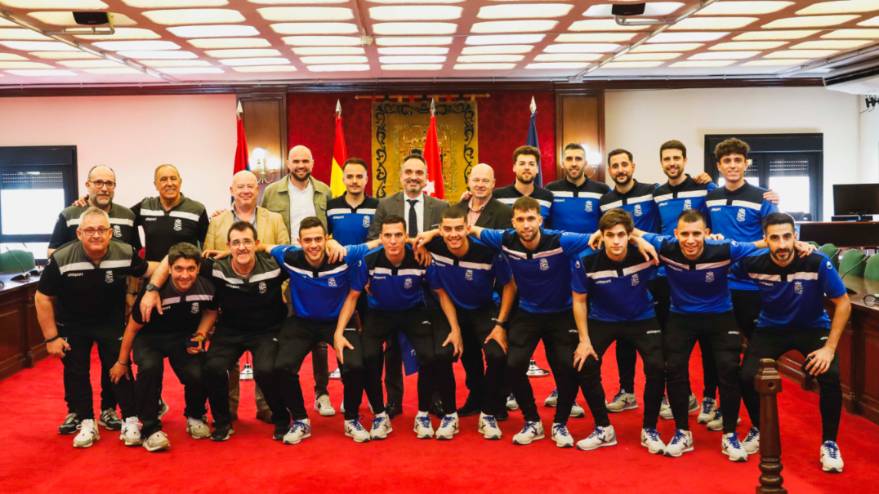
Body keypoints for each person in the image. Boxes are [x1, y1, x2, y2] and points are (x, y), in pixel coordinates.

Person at [450, 197, 654, 446]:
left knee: (567, 367)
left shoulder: (561, 240)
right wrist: (430, 234)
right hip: (528, 312)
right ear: (513, 222)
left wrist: (637, 239)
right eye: (520, 219)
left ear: (540, 220)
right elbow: (469, 229)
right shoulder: (505, 239)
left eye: (531, 219)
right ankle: (532, 422)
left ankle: (560, 423)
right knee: (512, 363)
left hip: (562, 312)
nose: (526, 225)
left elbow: (602, 235)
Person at [638, 210, 783, 460]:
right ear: (675, 234)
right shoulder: (665, 246)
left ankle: (730, 435)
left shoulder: (724, 249)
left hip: (720, 316)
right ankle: (682, 432)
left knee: (728, 370)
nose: (690, 240)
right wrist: (637, 239)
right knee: (674, 370)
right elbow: (632, 231)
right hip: (681, 317)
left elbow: (763, 242)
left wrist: (802, 245)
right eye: (685, 234)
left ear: (706, 234)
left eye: (696, 234)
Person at [141, 221, 289, 442]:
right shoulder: (217, 267)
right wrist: (152, 289)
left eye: (247, 242)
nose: (242, 247)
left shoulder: (274, 265)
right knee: (212, 368)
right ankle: (222, 422)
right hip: (230, 330)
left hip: (267, 330)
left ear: (256, 243)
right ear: (228, 246)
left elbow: (302, 255)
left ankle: (282, 419)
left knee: (265, 371)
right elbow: (169, 259)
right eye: (236, 243)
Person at [735, 213, 850, 473]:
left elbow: (843, 303)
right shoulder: (754, 262)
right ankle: (759, 427)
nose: (782, 244)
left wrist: (829, 348)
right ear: (765, 240)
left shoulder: (816, 261)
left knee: (830, 375)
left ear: (795, 237)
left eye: (787, 236)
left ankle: (829, 443)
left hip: (812, 327)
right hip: (771, 328)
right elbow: (726, 261)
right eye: (775, 238)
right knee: (746, 376)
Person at [35, 207, 157, 448]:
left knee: (120, 368)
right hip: (73, 324)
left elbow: (149, 269)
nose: (96, 235)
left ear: (110, 233)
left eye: (102, 229)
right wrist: (51, 338)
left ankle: (130, 419)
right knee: (77, 372)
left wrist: (174, 265)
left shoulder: (125, 252)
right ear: (79, 233)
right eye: (89, 230)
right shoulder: (62, 257)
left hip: (110, 323)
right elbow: (42, 297)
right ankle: (87, 421)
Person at [336, 215, 461, 439]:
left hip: (413, 312)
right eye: (388, 235)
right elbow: (353, 296)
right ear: (381, 238)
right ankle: (380, 415)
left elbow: (441, 294)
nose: (393, 241)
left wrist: (455, 329)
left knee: (429, 356)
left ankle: (422, 414)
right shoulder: (369, 260)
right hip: (380, 313)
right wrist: (338, 332)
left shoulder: (420, 258)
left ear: (406, 237)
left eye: (398, 235)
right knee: (369, 357)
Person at [266, 217, 375, 444]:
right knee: (282, 366)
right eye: (308, 240)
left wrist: (418, 241)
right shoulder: (289, 256)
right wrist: (225, 252)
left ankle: (352, 419)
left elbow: (376, 243)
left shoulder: (343, 255)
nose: (313, 245)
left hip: (338, 321)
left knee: (355, 365)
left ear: (326, 239)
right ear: (299, 242)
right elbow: (264, 246)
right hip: (303, 321)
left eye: (318, 239)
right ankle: (300, 420)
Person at [48, 165, 138, 435]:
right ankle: (77, 412)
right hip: (73, 307)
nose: (104, 187)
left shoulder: (127, 216)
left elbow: (134, 258)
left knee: (113, 359)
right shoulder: (69, 214)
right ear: (87, 185)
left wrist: (131, 294)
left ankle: (109, 408)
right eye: (98, 182)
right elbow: (53, 253)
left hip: (111, 305)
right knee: (75, 365)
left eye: (109, 183)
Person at [570, 209, 665, 454]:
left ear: (629, 235)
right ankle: (603, 428)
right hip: (603, 318)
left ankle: (650, 429)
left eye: (621, 235)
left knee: (657, 366)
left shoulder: (645, 253)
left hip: (641, 317)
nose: (615, 241)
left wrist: (639, 239)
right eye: (610, 235)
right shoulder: (586, 260)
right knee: (585, 363)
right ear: (601, 236)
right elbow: (579, 301)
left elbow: (677, 245)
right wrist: (583, 340)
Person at [108, 242, 215, 452]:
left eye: (190, 269)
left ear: (198, 269)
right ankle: (150, 429)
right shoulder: (152, 294)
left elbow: (211, 311)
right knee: (150, 369)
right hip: (149, 338)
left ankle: (195, 415)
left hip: (181, 337)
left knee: (199, 371)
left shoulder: (207, 286)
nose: (185, 275)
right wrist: (122, 362)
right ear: (170, 269)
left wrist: (200, 335)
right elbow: (132, 329)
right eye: (179, 269)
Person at [204, 170, 292, 423]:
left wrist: (278, 295)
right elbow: (210, 257)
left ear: (257, 190)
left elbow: (284, 254)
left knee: (266, 364)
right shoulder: (217, 222)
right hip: (230, 303)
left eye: (250, 186)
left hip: (267, 300)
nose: (245, 191)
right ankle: (229, 408)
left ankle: (266, 407)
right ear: (231, 190)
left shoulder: (274, 219)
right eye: (240, 186)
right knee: (223, 363)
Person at [420, 208, 516, 439]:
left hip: (483, 308)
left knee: (496, 354)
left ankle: (489, 412)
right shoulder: (434, 246)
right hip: (450, 309)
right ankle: (450, 415)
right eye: (447, 229)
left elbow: (509, 286)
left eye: (458, 228)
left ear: (467, 228)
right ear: (440, 230)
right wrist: (455, 329)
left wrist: (500, 325)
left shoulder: (487, 251)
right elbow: (403, 240)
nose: (453, 234)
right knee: (443, 354)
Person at [368, 152, 449, 418]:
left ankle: (434, 398)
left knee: (430, 347)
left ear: (427, 178)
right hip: (393, 285)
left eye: (419, 173)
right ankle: (394, 400)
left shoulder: (440, 206)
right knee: (392, 348)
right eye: (409, 172)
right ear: (401, 176)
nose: (414, 177)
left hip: (430, 285)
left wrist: (429, 248)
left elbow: (447, 241)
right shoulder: (385, 204)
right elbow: (375, 239)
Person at [260, 145, 333, 415]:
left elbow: (331, 228)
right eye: (296, 161)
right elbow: (262, 221)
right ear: (288, 164)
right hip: (285, 264)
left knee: (320, 334)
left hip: (316, 264)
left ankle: (321, 392)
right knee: (289, 329)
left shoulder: (324, 190)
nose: (301, 165)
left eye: (305, 161)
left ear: (312, 162)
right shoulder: (271, 191)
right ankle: (285, 392)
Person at [447, 162, 512, 417]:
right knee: (470, 353)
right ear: (469, 182)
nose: (480, 185)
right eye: (476, 180)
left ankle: (496, 399)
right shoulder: (457, 208)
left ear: (494, 183)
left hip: (493, 291)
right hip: (461, 292)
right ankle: (476, 395)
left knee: (496, 353)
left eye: (486, 180)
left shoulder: (504, 212)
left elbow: (507, 244)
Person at [131, 164, 209, 262]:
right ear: (155, 185)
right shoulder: (145, 206)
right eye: (163, 179)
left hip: (184, 270)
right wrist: (137, 247)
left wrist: (219, 217)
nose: (169, 183)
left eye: (173, 178)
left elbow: (208, 246)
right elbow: (124, 220)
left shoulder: (197, 209)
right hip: (154, 270)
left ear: (180, 182)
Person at [546, 143, 608, 234]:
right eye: (569, 159)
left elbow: (610, 223)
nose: (574, 164)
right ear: (563, 163)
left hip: (591, 243)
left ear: (585, 163)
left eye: (578, 159)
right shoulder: (550, 190)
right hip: (558, 243)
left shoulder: (602, 190)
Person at [326, 157, 379, 246]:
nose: (354, 181)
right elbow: (324, 237)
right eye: (350, 177)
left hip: (370, 255)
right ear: (343, 179)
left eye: (359, 176)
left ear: (366, 179)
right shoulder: (331, 207)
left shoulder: (377, 206)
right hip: (340, 255)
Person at [493, 145, 553, 219]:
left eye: (531, 164)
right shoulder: (498, 196)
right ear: (514, 167)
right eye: (522, 164)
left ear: (537, 169)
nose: (527, 167)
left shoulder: (547, 197)